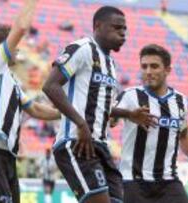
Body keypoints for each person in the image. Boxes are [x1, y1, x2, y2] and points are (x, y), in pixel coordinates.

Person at [0, 1, 61, 202]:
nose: (19, 50)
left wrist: (67, 114)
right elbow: (20, 27)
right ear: (3, 47)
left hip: (5, 158)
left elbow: (36, 109)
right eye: (16, 46)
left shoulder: (8, 79)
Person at [42, 6, 126, 203]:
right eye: (117, 28)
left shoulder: (111, 64)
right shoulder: (82, 48)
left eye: (124, 29)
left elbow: (102, 107)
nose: (122, 34)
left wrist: (126, 114)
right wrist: (81, 124)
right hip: (77, 142)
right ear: (98, 26)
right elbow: (50, 86)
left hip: (101, 146)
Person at [111, 44, 188, 203]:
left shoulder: (180, 101)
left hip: (168, 182)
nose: (148, 72)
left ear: (167, 70)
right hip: (134, 181)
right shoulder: (130, 96)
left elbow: (183, 135)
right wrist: (125, 115)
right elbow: (108, 118)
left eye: (154, 66)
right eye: (144, 66)